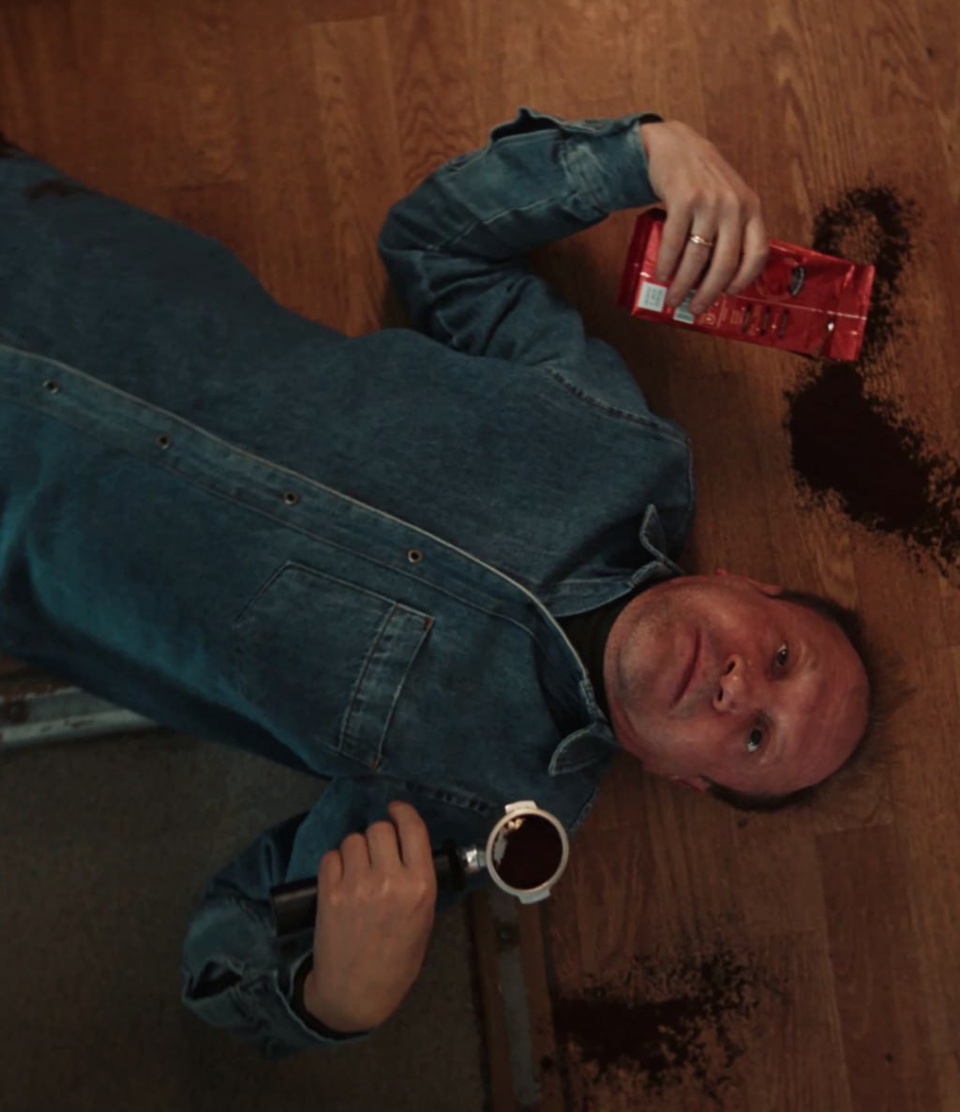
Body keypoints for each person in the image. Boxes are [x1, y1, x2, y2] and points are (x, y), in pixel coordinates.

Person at [0, 109, 870, 1058]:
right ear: (748, 582)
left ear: (684, 778)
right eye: (781, 658)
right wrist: (645, 153)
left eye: (754, 739)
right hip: (47, 252)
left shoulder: (480, 809)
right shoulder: (613, 439)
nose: (740, 689)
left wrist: (334, 1001)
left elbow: (224, 950)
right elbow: (435, 244)